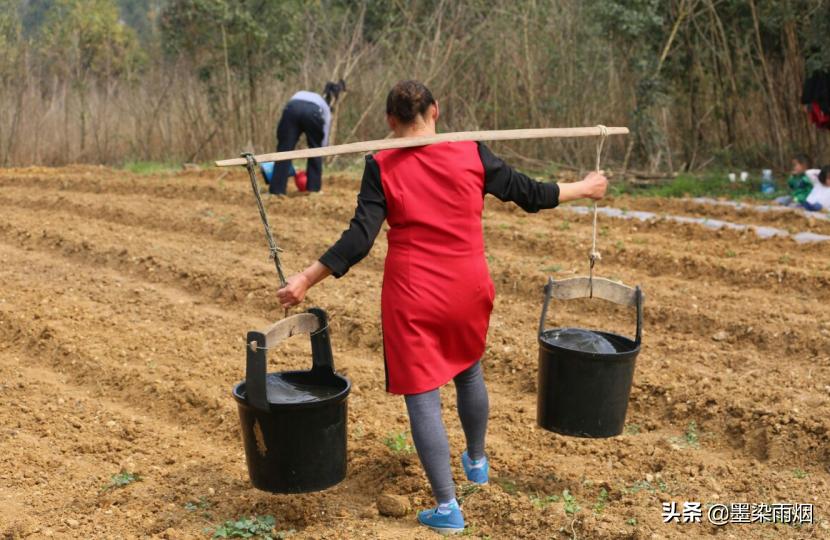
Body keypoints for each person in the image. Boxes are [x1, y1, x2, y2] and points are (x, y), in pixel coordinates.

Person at [276, 80, 608, 534]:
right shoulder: (471, 152)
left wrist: (305, 278)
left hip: (413, 293)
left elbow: (359, 239)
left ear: (390, 121)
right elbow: (530, 193)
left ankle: (448, 507)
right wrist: (586, 187)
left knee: (422, 393)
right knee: (468, 369)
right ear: (436, 111)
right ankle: (477, 462)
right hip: (468, 285)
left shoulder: (381, 164)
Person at [269, 80, 346, 195]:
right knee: (315, 150)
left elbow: (286, 113)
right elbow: (325, 131)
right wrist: (322, 148)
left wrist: (282, 140)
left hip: (292, 109)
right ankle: (314, 189)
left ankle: (277, 190)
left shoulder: (300, 93)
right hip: (312, 112)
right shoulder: (324, 106)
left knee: (284, 150)